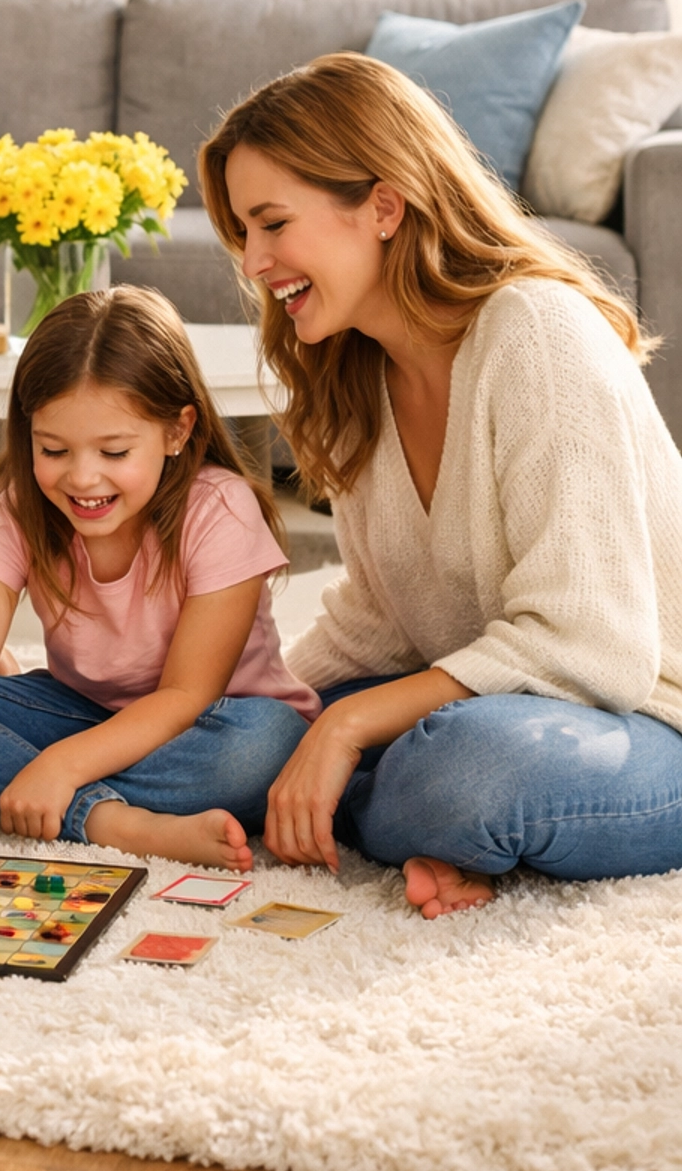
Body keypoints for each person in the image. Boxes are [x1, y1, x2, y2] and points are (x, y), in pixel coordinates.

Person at [199, 49, 682, 918]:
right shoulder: (354, 374)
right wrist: (255, 706)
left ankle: (433, 816)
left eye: (272, 223)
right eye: (244, 234)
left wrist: (344, 729)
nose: (256, 261)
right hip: (504, 700)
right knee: (246, 739)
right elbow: (383, 620)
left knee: (463, 773)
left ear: (383, 204)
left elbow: (590, 645)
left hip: (646, 718)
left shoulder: (536, 331)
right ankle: (428, 828)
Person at [0, 286, 317, 870]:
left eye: (113, 452)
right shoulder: (21, 509)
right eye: (54, 449)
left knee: (265, 749)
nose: (83, 479)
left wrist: (61, 765)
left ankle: (58, 795)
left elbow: (186, 694)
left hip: (210, 722)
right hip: (83, 713)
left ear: (178, 431)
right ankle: (111, 821)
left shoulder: (220, 509)